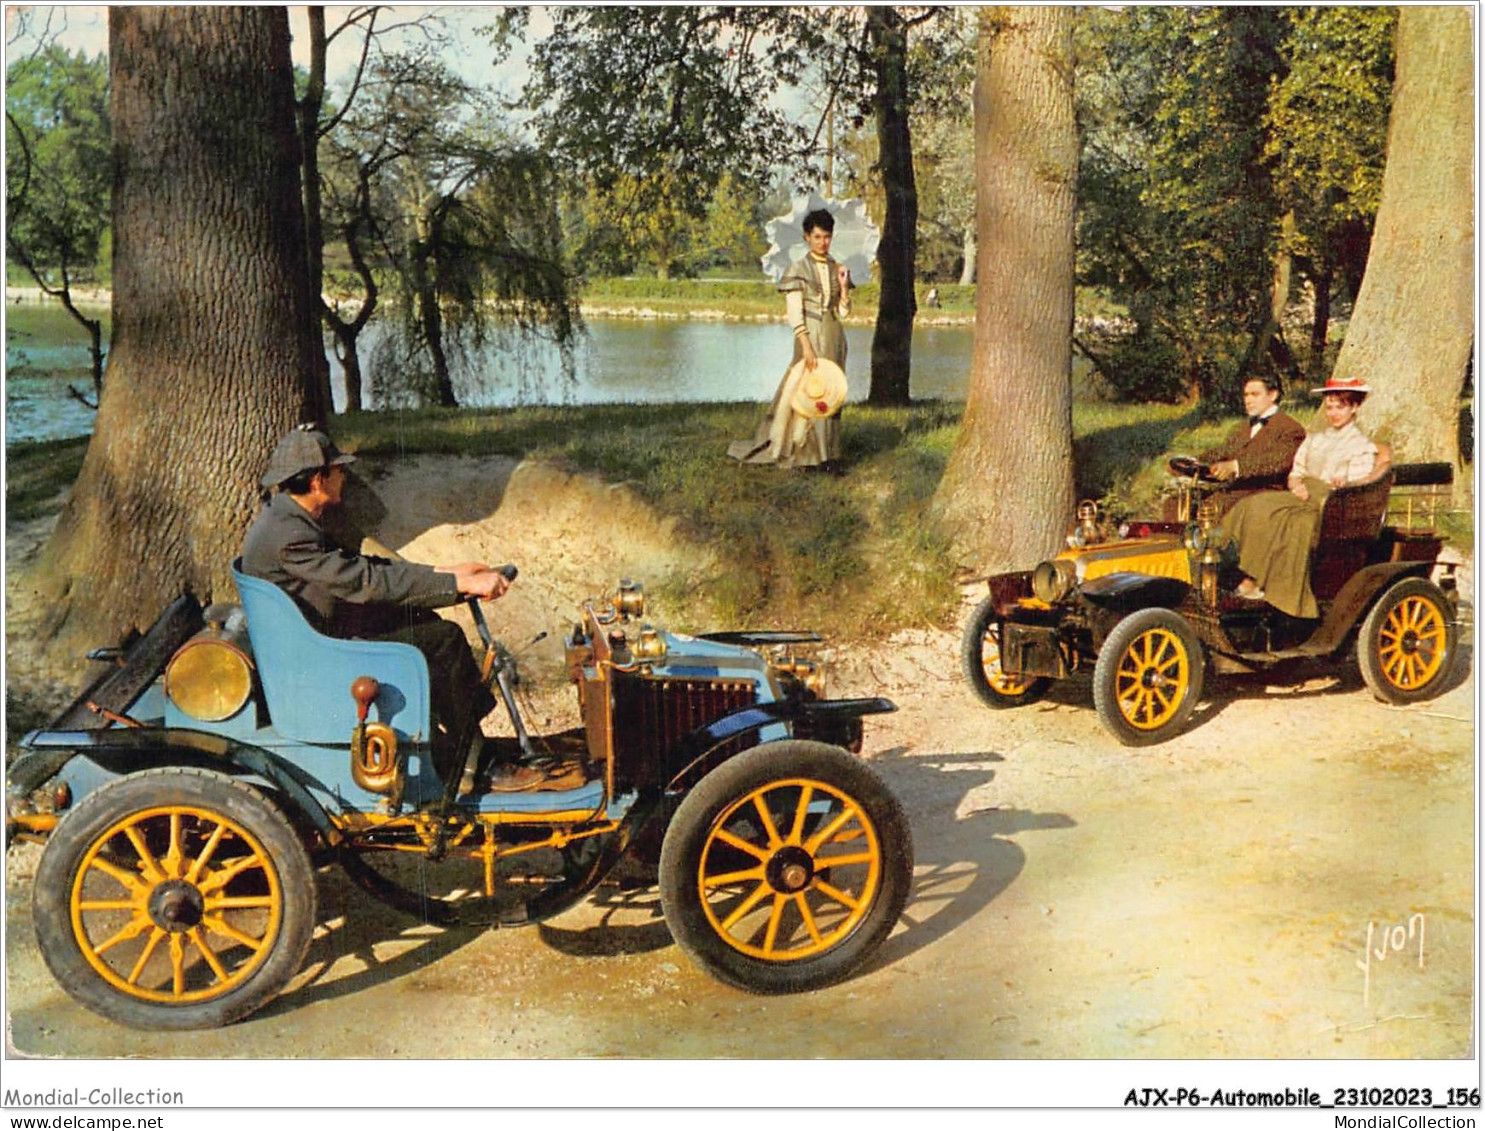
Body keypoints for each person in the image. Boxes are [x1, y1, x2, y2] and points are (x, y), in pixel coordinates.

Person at [240, 424, 543, 791]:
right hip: (317, 651)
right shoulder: (291, 534)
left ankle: (463, 746)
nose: (344, 476)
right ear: (319, 480)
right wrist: (458, 585)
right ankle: (479, 763)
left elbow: (365, 569)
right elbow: (366, 583)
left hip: (314, 631)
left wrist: (449, 573)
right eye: (339, 470)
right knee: (442, 639)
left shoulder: (289, 518)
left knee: (423, 621)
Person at [1219, 377, 1380, 618]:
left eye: (1341, 407)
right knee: (1254, 505)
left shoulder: (1361, 446)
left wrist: (1343, 483)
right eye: (1330, 407)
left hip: (1335, 503)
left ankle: (1282, 594)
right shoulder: (1315, 439)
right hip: (1303, 493)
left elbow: (1362, 482)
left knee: (1297, 526)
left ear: (1354, 408)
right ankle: (1239, 575)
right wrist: (1296, 484)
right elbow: (1297, 470)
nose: (1334, 413)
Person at [728, 207, 851, 469]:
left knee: (832, 393)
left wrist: (843, 288)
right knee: (806, 391)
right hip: (810, 335)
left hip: (834, 335)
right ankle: (806, 455)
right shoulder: (798, 268)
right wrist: (805, 345)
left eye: (827, 237)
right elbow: (795, 313)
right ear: (807, 237)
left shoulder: (836, 267)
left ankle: (829, 454)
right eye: (817, 237)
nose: (822, 242)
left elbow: (842, 312)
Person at [1199, 376, 1306, 510]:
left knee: (1215, 506)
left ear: (1273, 395)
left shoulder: (1290, 428)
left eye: (1255, 394)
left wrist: (1236, 466)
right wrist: (1190, 462)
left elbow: (1278, 462)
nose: (1248, 400)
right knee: (1178, 501)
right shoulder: (1240, 428)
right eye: (1246, 395)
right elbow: (1222, 451)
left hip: (1265, 494)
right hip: (1234, 490)